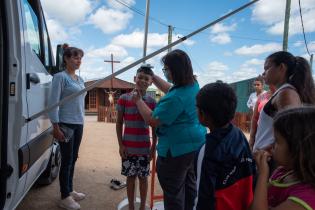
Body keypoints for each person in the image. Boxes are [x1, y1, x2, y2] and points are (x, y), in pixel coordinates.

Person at [132, 49, 206, 210]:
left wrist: (138, 101)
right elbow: (170, 88)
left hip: (176, 152)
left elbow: (152, 120)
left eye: (166, 69)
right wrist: (153, 76)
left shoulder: (175, 98)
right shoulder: (192, 85)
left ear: (175, 71)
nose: (164, 72)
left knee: (173, 194)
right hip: (194, 147)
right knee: (189, 187)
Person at [193, 82, 256, 210]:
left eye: (197, 108)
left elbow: (204, 197)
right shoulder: (239, 135)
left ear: (203, 115)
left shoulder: (206, 152)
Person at [250, 106, 315, 210]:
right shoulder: (282, 173)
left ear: (297, 149)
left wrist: (262, 175)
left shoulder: (306, 197)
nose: (270, 146)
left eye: (276, 141)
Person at [253, 51, 315, 153]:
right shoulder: (282, 92)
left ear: (281, 67)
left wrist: (267, 153)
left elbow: (292, 136)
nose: (263, 73)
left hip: (272, 163)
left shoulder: (286, 94)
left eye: (267, 68)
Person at [48, 44, 86, 210]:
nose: (79, 61)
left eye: (80, 58)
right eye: (75, 57)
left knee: (74, 157)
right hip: (65, 123)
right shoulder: (60, 77)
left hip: (79, 123)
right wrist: (56, 127)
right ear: (66, 59)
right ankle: (64, 197)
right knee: (67, 160)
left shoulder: (81, 79)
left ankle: (70, 190)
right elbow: (52, 103)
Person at [116, 65, 157, 210]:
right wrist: (121, 145)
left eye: (147, 78)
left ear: (151, 82)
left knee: (143, 178)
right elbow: (119, 122)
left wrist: (153, 148)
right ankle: (132, 206)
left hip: (144, 149)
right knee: (130, 178)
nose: (143, 80)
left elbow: (154, 127)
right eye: (140, 77)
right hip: (128, 149)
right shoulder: (123, 99)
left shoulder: (152, 102)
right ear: (135, 79)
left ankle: (141, 208)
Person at [249, 84, 276, 150]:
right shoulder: (261, 96)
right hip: (260, 136)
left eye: (258, 84)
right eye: (254, 84)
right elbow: (255, 118)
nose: (264, 73)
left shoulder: (284, 94)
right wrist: (252, 138)